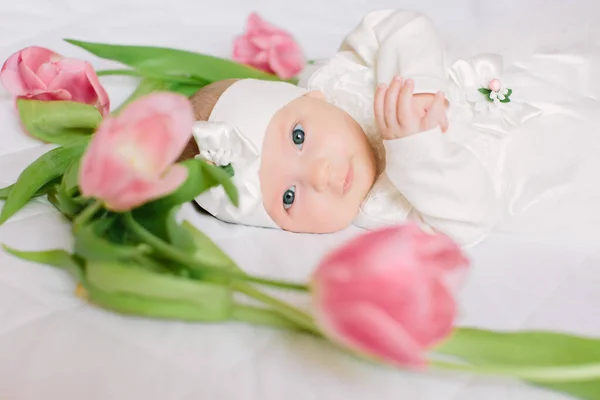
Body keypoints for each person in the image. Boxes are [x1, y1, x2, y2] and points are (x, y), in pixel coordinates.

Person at [179, 9, 542, 247]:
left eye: (298, 137)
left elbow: (398, 25)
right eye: (288, 197)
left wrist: (418, 85)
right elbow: (471, 221)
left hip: (528, 82)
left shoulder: (340, 80)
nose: (319, 175)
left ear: (312, 96)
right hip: (538, 164)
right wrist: (417, 151)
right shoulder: (380, 208)